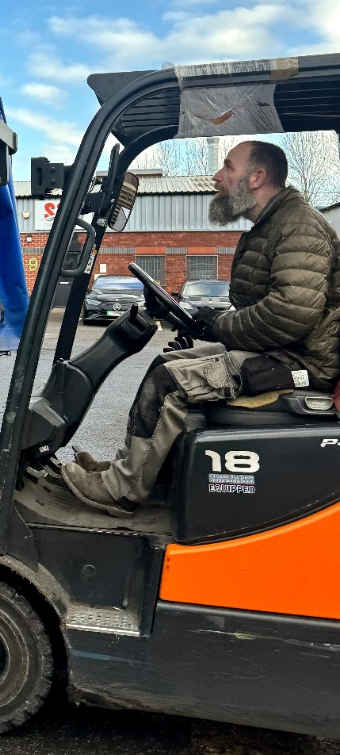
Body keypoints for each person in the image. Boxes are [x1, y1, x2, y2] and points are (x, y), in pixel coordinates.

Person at [61, 140, 340, 518]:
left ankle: (121, 492)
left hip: (302, 363)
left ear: (257, 177)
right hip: (281, 351)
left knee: (172, 381)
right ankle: (133, 471)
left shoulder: (298, 225)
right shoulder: (272, 223)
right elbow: (270, 307)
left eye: (228, 167)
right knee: (167, 362)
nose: (217, 175)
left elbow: (290, 311)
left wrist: (223, 327)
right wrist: (215, 323)